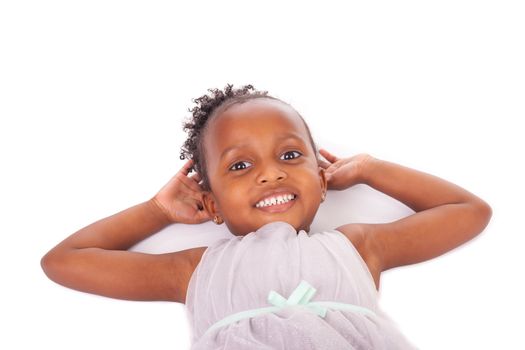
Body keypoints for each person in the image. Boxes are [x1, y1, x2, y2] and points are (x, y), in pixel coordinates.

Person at [41, 84, 492, 349]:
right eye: (240, 165)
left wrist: (370, 170)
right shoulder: (195, 270)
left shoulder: (355, 247)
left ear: (320, 179)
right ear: (211, 204)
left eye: (291, 155)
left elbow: (469, 212)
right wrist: (156, 211)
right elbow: (64, 261)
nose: (271, 173)